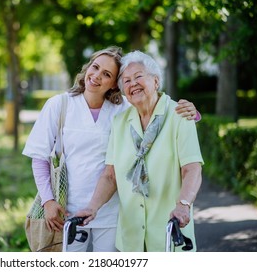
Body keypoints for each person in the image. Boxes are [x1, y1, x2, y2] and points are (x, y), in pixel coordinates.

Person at [22, 46, 200, 252]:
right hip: (69, 211)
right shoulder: (61, 105)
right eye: (95, 67)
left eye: (106, 74)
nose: (97, 76)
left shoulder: (123, 108)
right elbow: (40, 157)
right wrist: (48, 201)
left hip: (113, 212)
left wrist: (193, 114)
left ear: (114, 85)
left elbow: (157, 107)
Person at [75, 50, 204, 252]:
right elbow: (110, 176)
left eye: (138, 76)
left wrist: (183, 204)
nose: (132, 83)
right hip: (130, 239)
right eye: (126, 81)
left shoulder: (179, 115)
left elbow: (192, 169)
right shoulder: (120, 122)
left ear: (156, 81)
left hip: (170, 233)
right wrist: (93, 207)